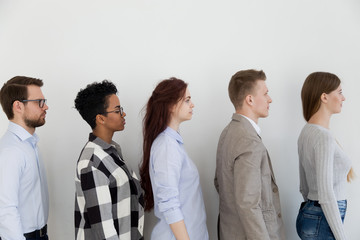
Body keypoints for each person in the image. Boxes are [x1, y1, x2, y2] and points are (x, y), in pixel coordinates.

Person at [215, 69, 285, 240]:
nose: (270, 99)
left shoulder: (227, 132)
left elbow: (219, 183)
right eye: (266, 93)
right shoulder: (248, 141)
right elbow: (248, 204)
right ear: (250, 99)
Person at [74, 80, 144, 240]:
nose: (123, 114)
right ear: (101, 118)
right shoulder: (92, 162)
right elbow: (103, 228)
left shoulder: (111, 152)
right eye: (118, 110)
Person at [140, 78, 209, 240]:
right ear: (171, 106)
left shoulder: (172, 143)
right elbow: (169, 203)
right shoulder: (166, 146)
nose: (192, 104)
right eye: (187, 100)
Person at [296, 72, 354, 240]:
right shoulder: (323, 136)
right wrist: (341, 236)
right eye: (340, 92)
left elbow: (304, 187)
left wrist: (313, 211)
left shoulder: (306, 131)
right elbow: (327, 194)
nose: (343, 98)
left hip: (310, 214)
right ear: (324, 97)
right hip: (324, 217)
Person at [0, 76, 49, 240]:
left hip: (39, 235)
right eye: (39, 102)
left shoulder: (31, 144)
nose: (46, 107)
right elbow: (5, 209)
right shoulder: (10, 151)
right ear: (18, 106)